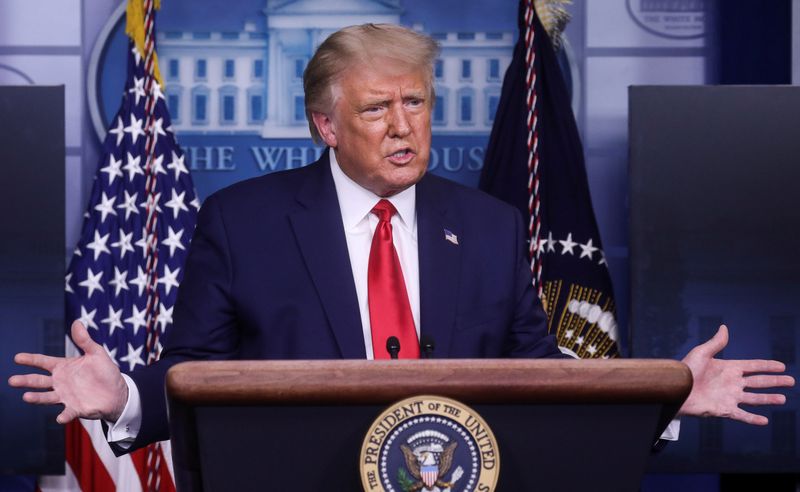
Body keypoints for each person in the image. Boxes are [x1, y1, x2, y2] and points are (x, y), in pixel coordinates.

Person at [9, 24, 794, 454]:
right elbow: (194, 373)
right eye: (376, 108)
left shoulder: (489, 227)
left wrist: (665, 396)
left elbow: (544, 381)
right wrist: (126, 396)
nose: (404, 127)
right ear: (325, 124)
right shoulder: (242, 223)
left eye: (416, 102)